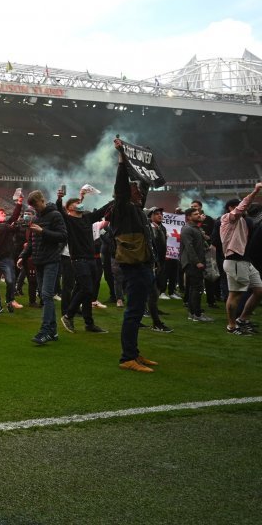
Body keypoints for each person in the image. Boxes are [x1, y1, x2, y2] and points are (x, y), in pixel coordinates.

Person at [111, 138, 159, 373]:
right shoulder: (122, 208)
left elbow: (145, 185)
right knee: (133, 313)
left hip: (143, 265)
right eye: (136, 189)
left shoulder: (137, 209)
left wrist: (146, 164)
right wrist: (122, 158)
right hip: (134, 266)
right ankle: (127, 357)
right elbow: (121, 188)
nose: (139, 191)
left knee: (138, 311)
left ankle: (134, 352)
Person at [57, 189, 110, 334]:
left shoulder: (87, 218)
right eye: (77, 203)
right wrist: (59, 199)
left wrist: (115, 199)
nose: (80, 204)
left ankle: (89, 323)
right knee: (86, 289)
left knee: (88, 291)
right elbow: (59, 211)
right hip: (78, 260)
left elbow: (102, 211)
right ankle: (68, 315)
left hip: (91, 259)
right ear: (69, 208)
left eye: (80, 202)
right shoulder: (68, 220)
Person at [18, 191, 67, 345]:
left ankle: (45, 331)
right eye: (33, 206)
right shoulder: (36, 217)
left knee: (46, 295)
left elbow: (63, 236)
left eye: (36, 205)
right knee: (45, 296)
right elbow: (33, 241)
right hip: (38, 261)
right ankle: (52, 331)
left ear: (42, 200)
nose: (35, 208)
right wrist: (23, 256)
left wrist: (43, 231)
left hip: (51, 260)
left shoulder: (55, 215)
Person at [220, 184, 262, 335]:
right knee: (235, 294)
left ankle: (242, 320)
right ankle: (231, 326)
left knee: (259, 290)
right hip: (235, 260)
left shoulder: (244, 222)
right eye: (238, 206)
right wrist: (256, 191)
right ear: (231, 208)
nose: (244, 208)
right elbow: (242, 206)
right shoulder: (227, 218)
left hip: (245, 261)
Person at [180, 208, 213, 322]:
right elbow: (189, 248)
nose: (199, 215)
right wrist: (197, 262)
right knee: (197, 288)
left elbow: (199, 243)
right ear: (189, 217)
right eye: (196, 214)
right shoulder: (187, 229)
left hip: (195, 262)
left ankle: (192, 313)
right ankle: (197, 314)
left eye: (199, 213)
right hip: (192, 263)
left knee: (194, 288)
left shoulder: (195, 227)